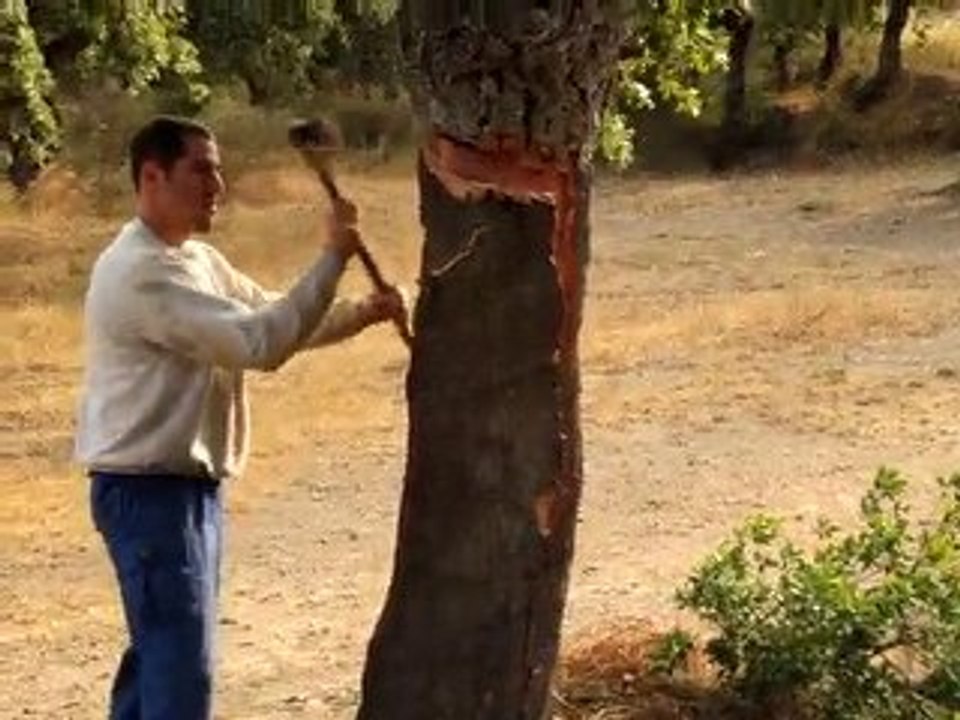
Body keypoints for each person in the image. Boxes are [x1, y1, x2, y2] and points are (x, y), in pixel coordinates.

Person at [75, 116, 405, 719]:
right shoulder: (141, 272)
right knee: (179, 676)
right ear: (152, 176)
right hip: (150, 495)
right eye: (200, 169)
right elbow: (259, 344)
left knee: (158, 663)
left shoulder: (197, 259)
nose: (217, 185)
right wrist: (332, 258)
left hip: (179, 493)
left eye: (218, 169)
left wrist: (361, 312)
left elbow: (274, 316)